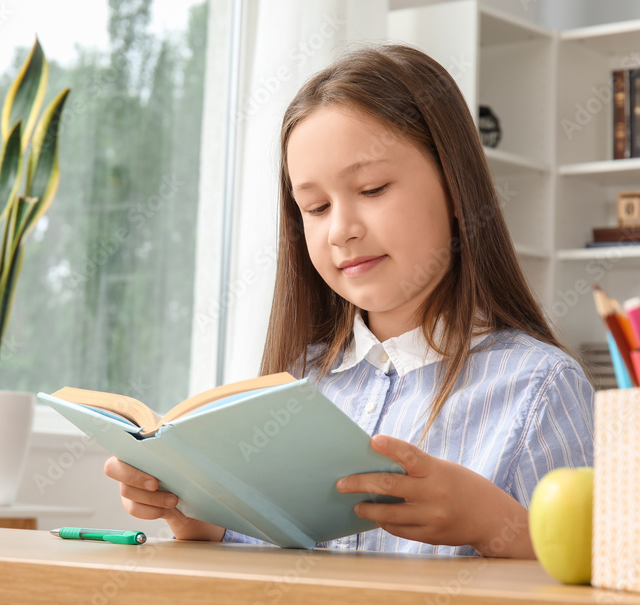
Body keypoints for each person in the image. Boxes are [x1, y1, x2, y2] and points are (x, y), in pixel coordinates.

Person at [105, 43, 595, 558]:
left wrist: (494, 522)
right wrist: (200, 517)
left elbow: (600, 574)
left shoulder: (541, 388)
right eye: (315, 207)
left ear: (456, 186)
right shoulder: (297, 386)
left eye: (373, 188)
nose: (341, 231)